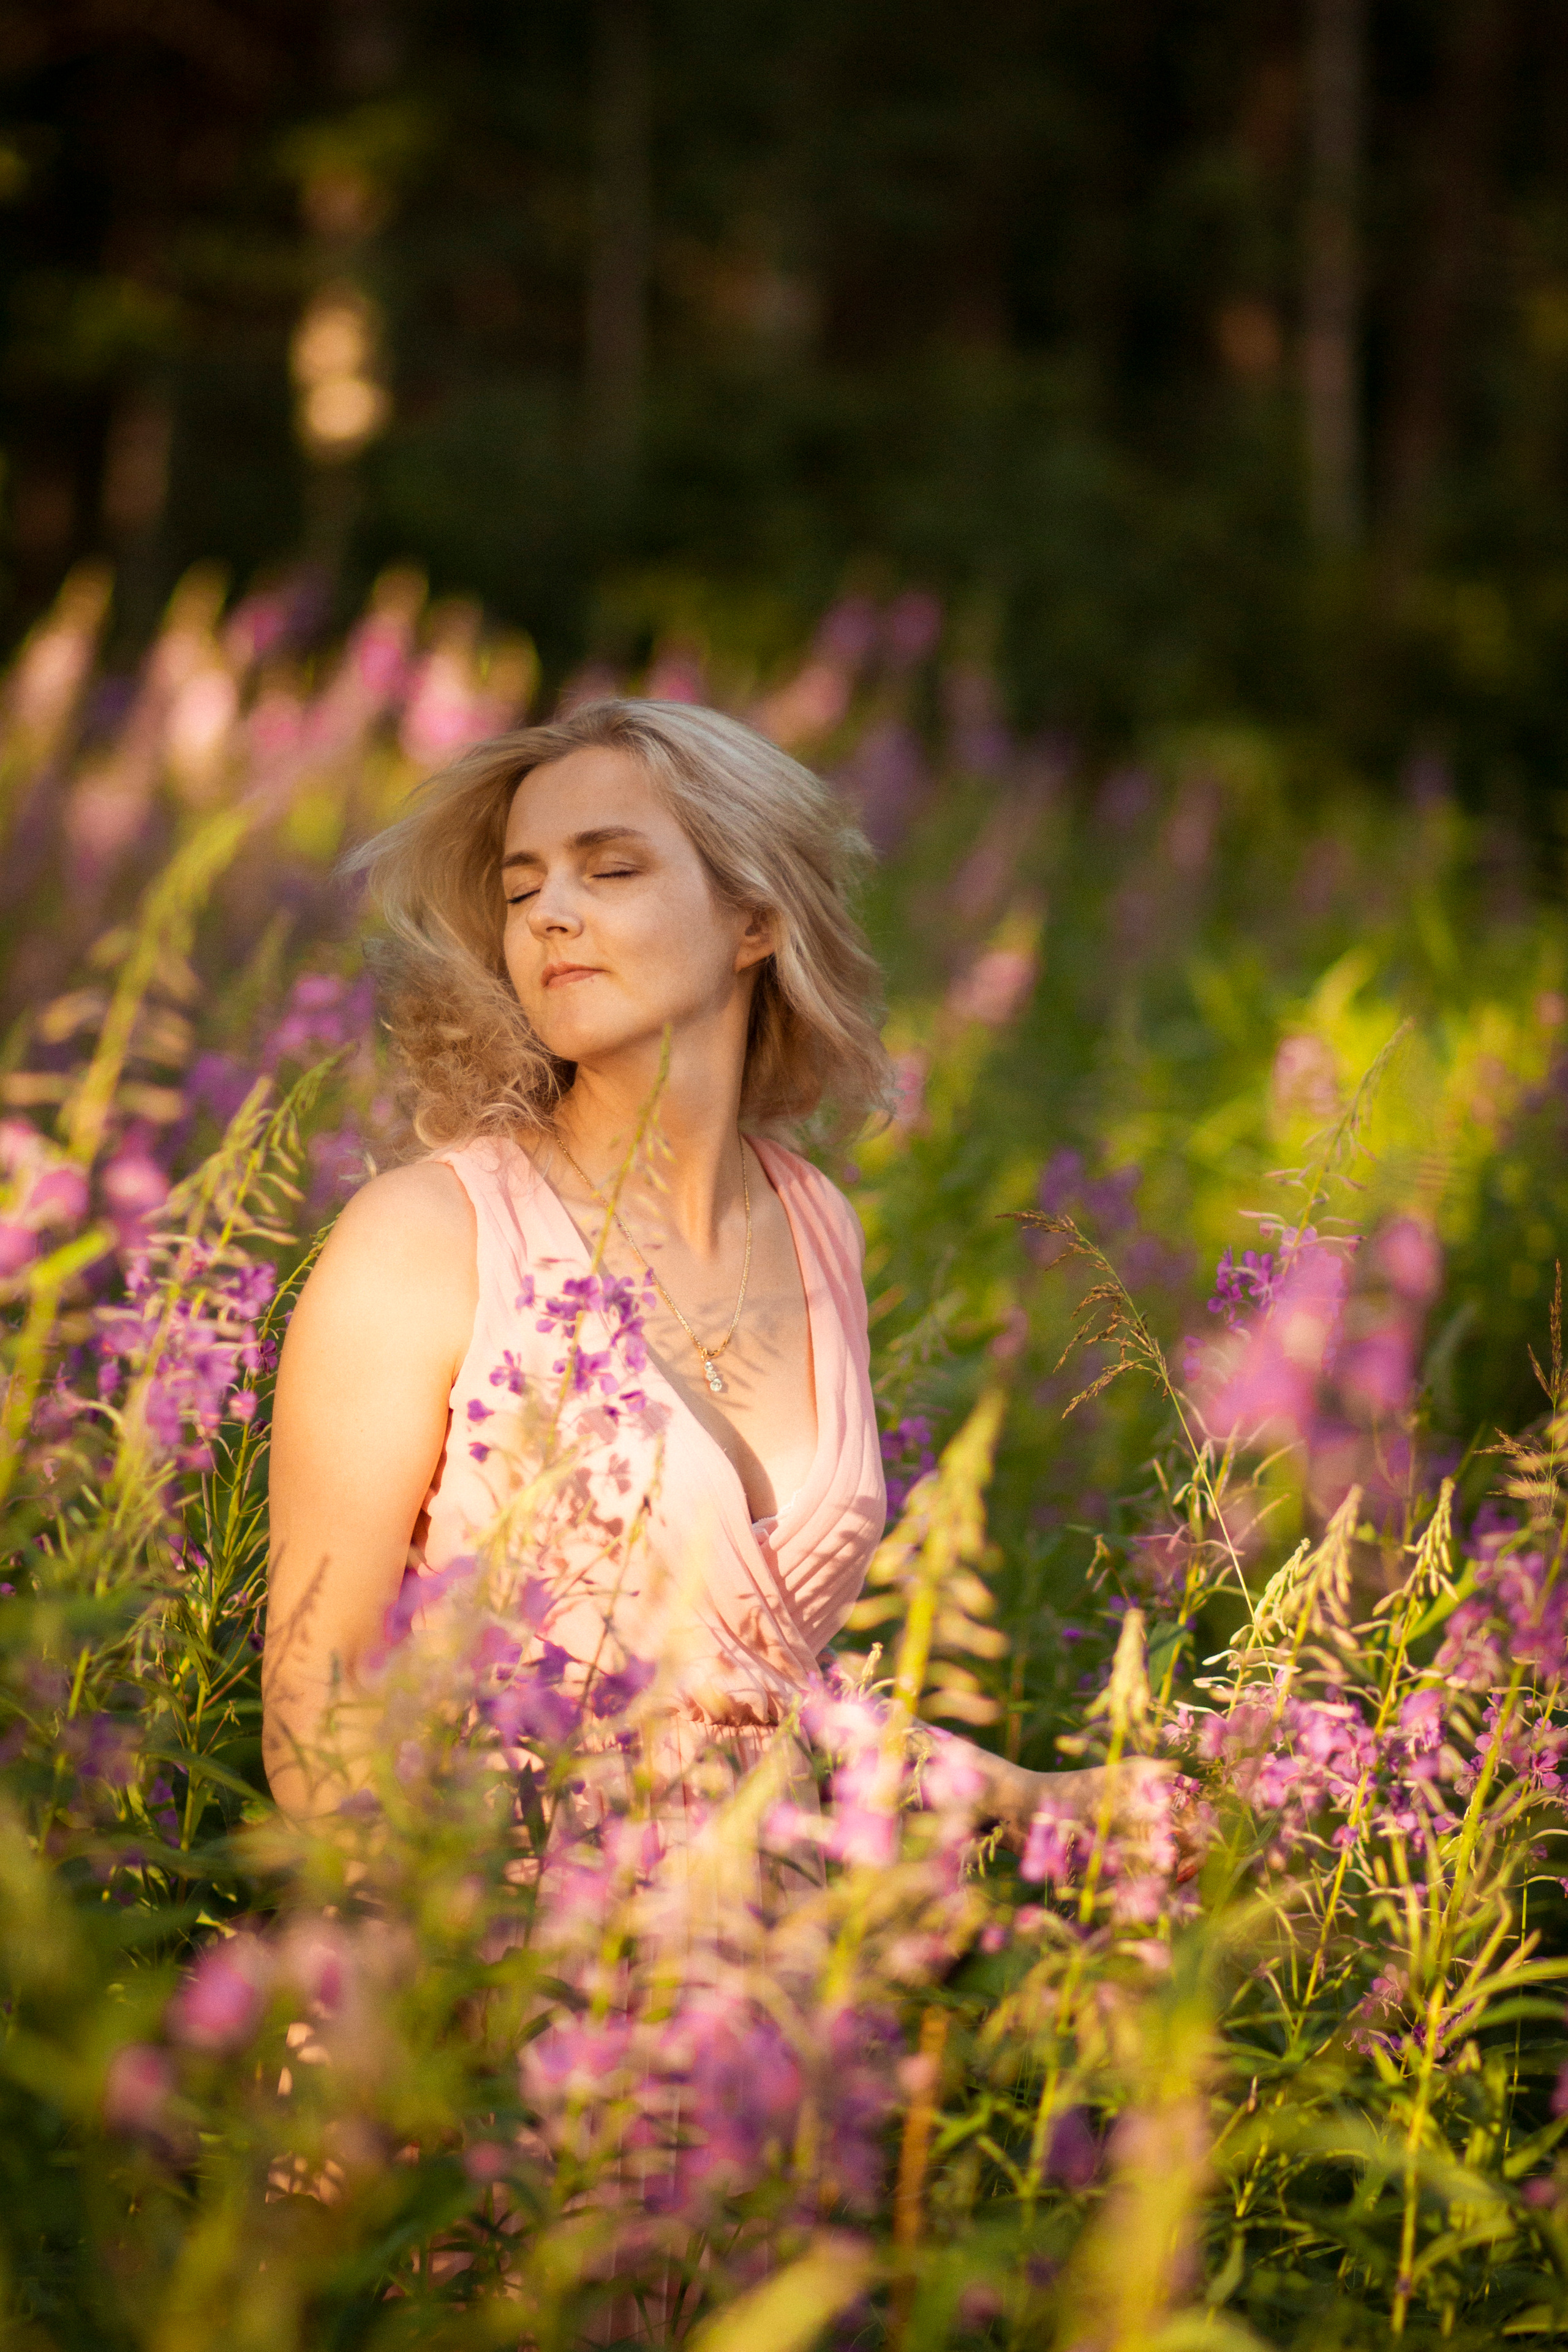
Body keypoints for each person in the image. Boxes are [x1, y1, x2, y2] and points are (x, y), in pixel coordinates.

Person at [262, 698, 1147, 1846]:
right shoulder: (426, 1237)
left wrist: (1039, 1801)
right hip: (489, 1968)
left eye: (611, 870)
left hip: (761, 1989)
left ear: (753, 921)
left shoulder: (815, 1224)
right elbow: (310, 1741)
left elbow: (771, 1702)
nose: (551, 916)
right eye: (523, 890)